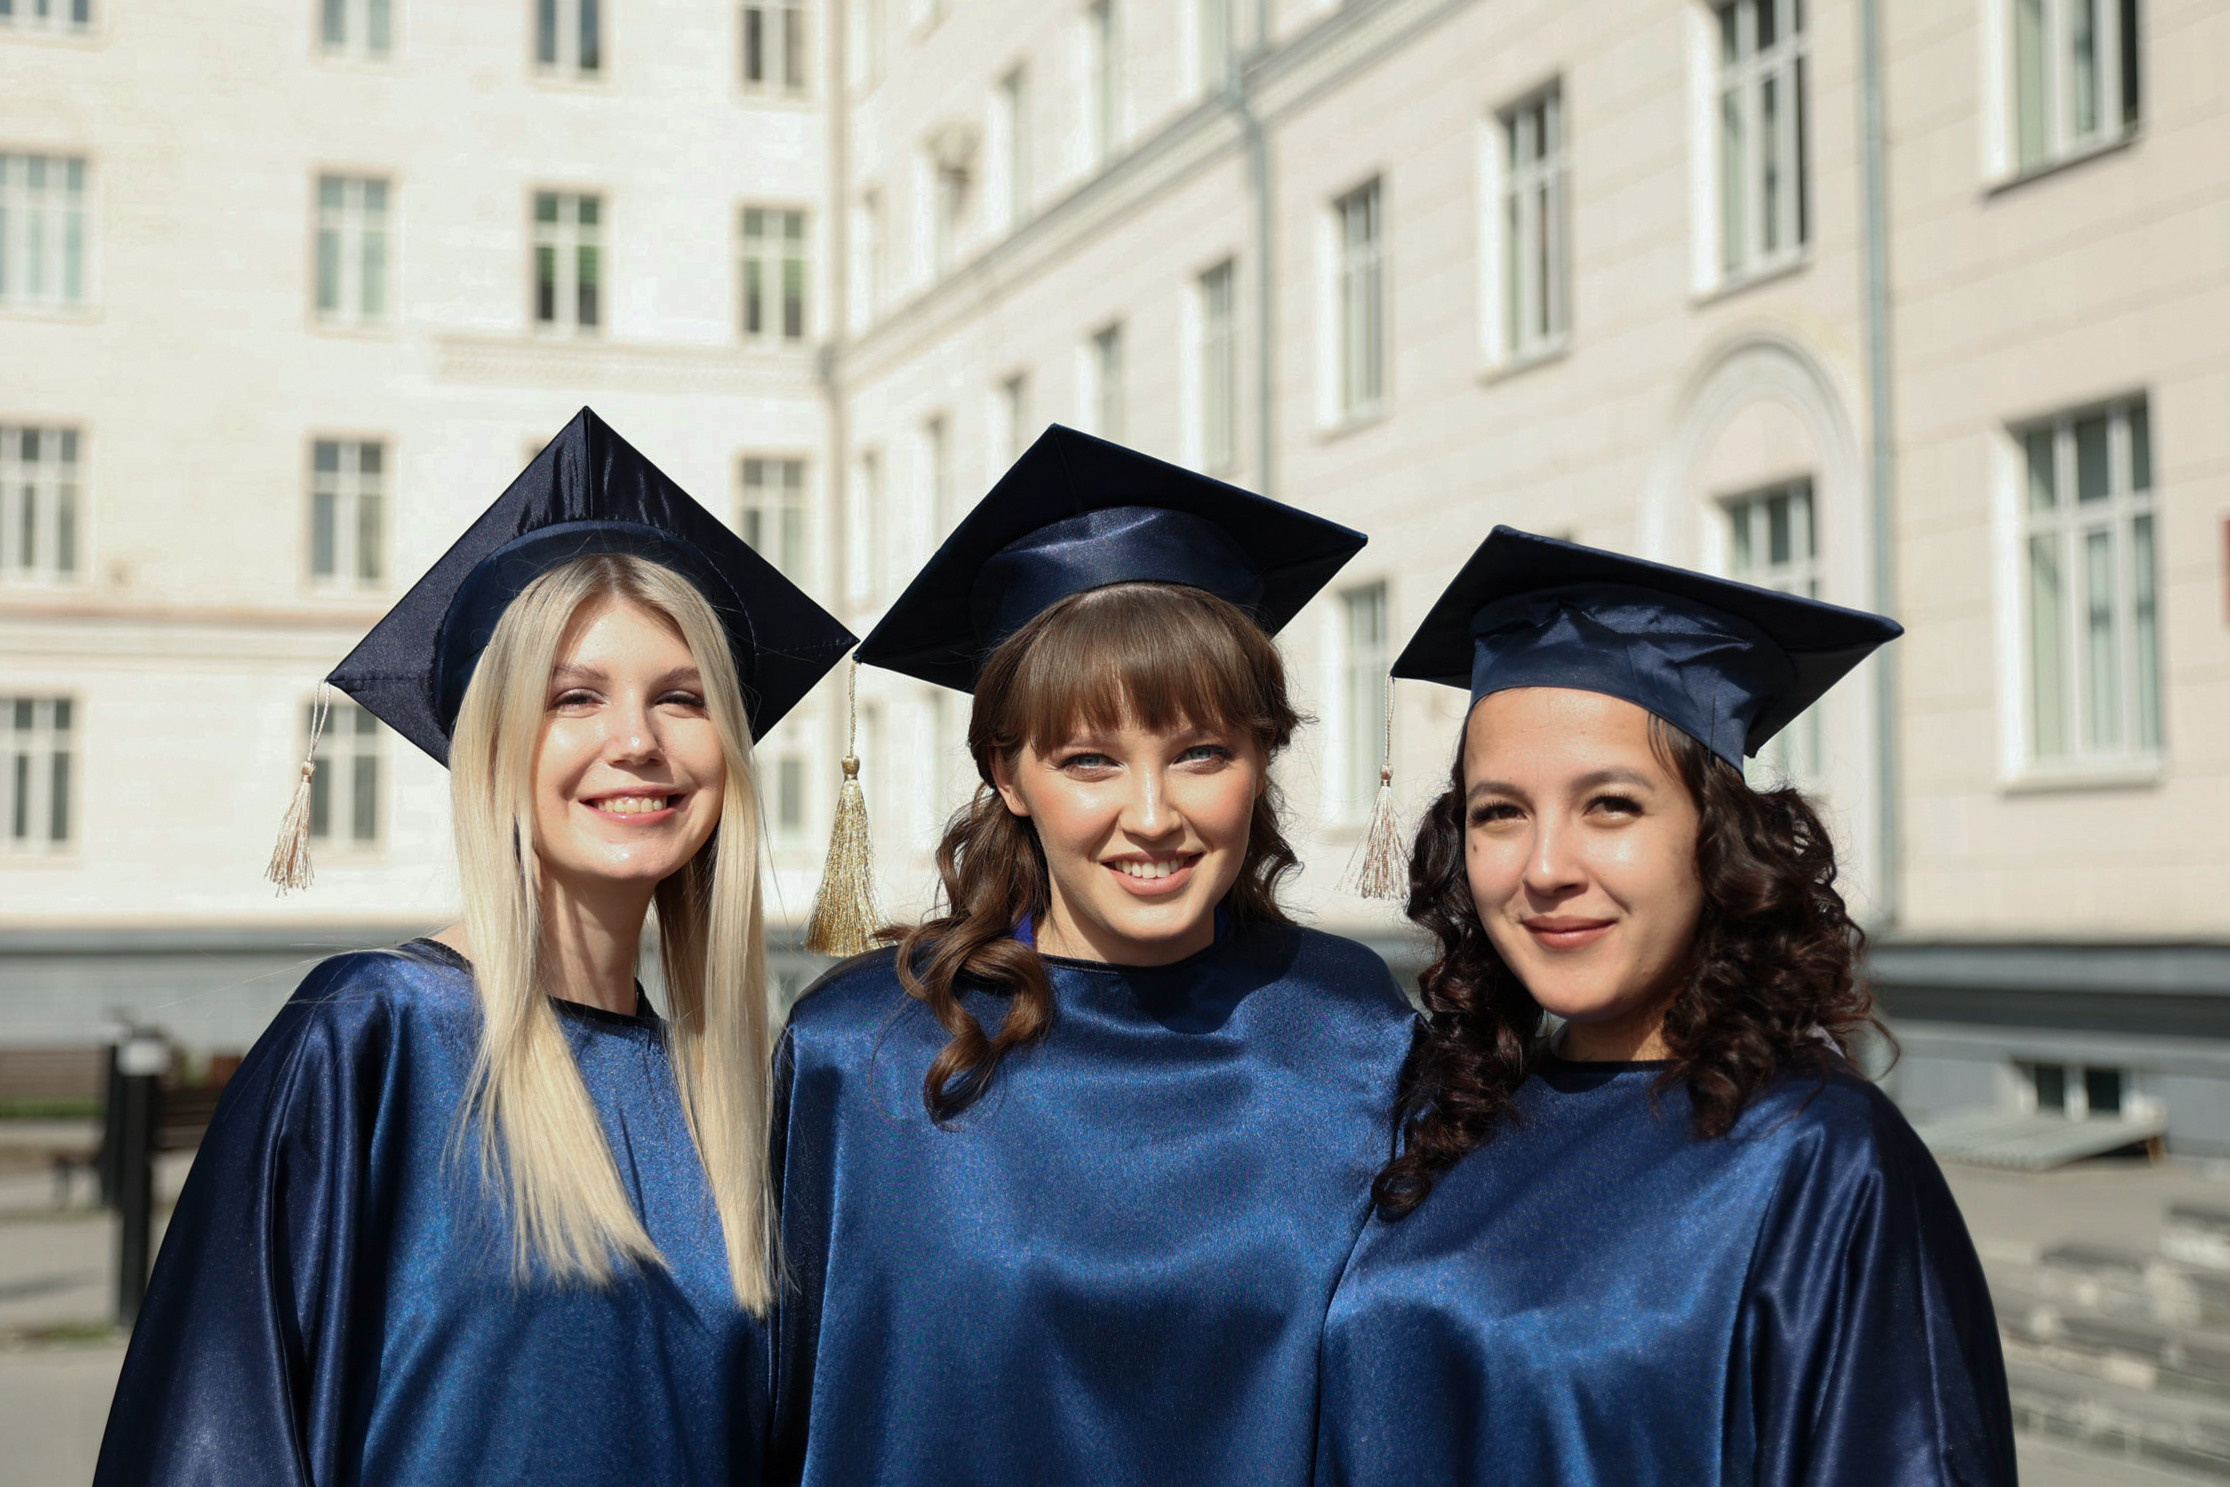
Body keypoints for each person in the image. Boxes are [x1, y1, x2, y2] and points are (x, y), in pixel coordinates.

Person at [94, 409, 854, 1486]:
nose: (636, 740)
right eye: (573, 697)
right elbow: (216, 1433)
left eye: (681, 698)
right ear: (493, 742)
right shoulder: (372, 1041)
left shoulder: (727, 1100)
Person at [767, 427, 1415, 1486]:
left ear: (1261, 756)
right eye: (1089, 760)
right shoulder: (865, 1049)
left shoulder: (1359, 1032)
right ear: (1007, 773)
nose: (1151, 814)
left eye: (1201, 751)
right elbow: (795, 1406)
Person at [1313, 526, 2016, 1486]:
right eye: (1499, 812)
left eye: (1611, 804)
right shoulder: (1450, 1120)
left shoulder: (1816, 1159)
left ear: (1716, 840)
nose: (1546, 868)